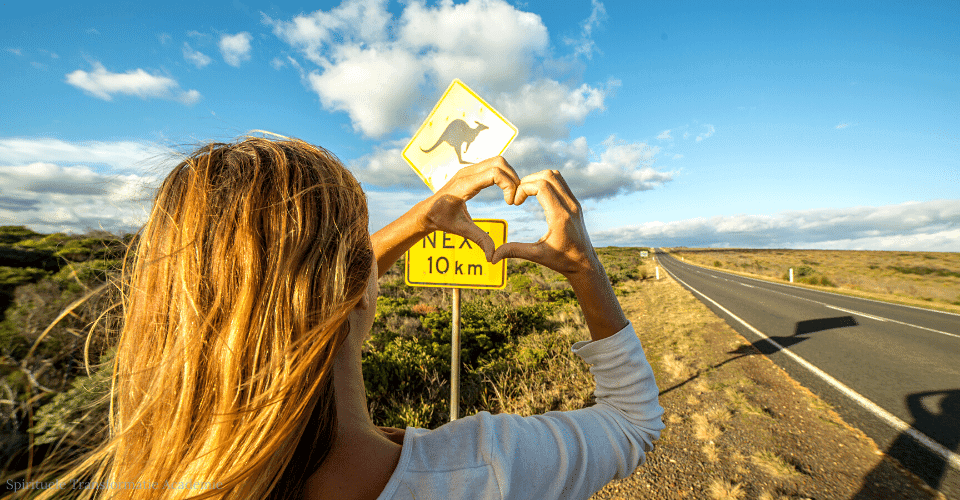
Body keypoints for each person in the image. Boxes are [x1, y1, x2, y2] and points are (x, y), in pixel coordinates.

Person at [31, 135, 663, 500]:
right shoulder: (484, 470)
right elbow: (634, 424)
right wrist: (583, 267)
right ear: (362, 290)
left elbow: (313, 290)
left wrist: (418, 218)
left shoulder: (151, 478)